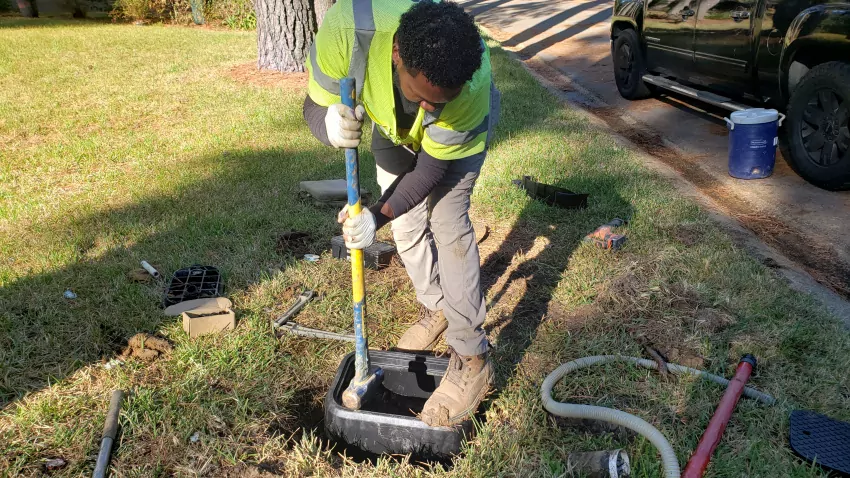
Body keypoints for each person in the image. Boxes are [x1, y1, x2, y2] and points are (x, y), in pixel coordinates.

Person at [302, 0, 500, 427]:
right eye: (423, 96)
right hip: (389, 123)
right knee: (408, 226)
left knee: (448, 225)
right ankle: (437, 308)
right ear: (397, 55)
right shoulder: (344, 32)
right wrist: (329, 125)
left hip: (455, 144)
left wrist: (376, 214)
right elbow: (312, 107)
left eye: (438, 102)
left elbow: (430, 168)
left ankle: (472, 356)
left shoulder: (470, 76)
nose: (430, 108)